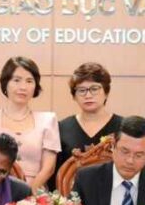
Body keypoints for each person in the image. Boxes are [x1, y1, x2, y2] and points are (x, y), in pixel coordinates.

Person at [0, 56, 61, 192]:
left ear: (35, 86)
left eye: (29, 81)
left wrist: (27, 194)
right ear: (5, 83)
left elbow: (48, 169)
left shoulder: (48, 120)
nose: (23, 87)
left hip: (34, 193)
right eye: (16, 80)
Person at [51, 62, 123, 190]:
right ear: (74, 96)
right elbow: (55, 177)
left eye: (94, 89)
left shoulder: (124, 128)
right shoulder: (61, 128)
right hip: (72, 199)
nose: (88, 95)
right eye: (81, 90)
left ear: (106, 92)